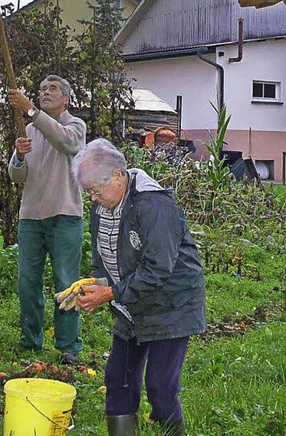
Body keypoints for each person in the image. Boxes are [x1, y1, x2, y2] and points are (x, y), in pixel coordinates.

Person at [72, 138, 206, 436]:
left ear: (118, 175)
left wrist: (111, 293)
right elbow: (103, 261)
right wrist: (96, 284)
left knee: (160, 385)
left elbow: (158, 268)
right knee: (118, 376)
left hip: (171, 305)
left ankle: (171, 431)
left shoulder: (153, 205)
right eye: (88, 191)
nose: (93, 198)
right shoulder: (102, 206)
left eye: (96, 189)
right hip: (131, 306)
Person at [8, 75, 86, 365]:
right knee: (27, 282)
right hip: (30, 218)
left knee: (66, 283)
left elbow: (66, 143)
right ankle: (31, 340)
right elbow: (18, 177)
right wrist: (18, 156)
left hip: (64, 217)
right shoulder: (29, 129)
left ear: (66, 98)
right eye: (41, 90)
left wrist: (30, 109)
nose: (45, 93)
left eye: (52, 89)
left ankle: (68, 346)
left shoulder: (75, 126)